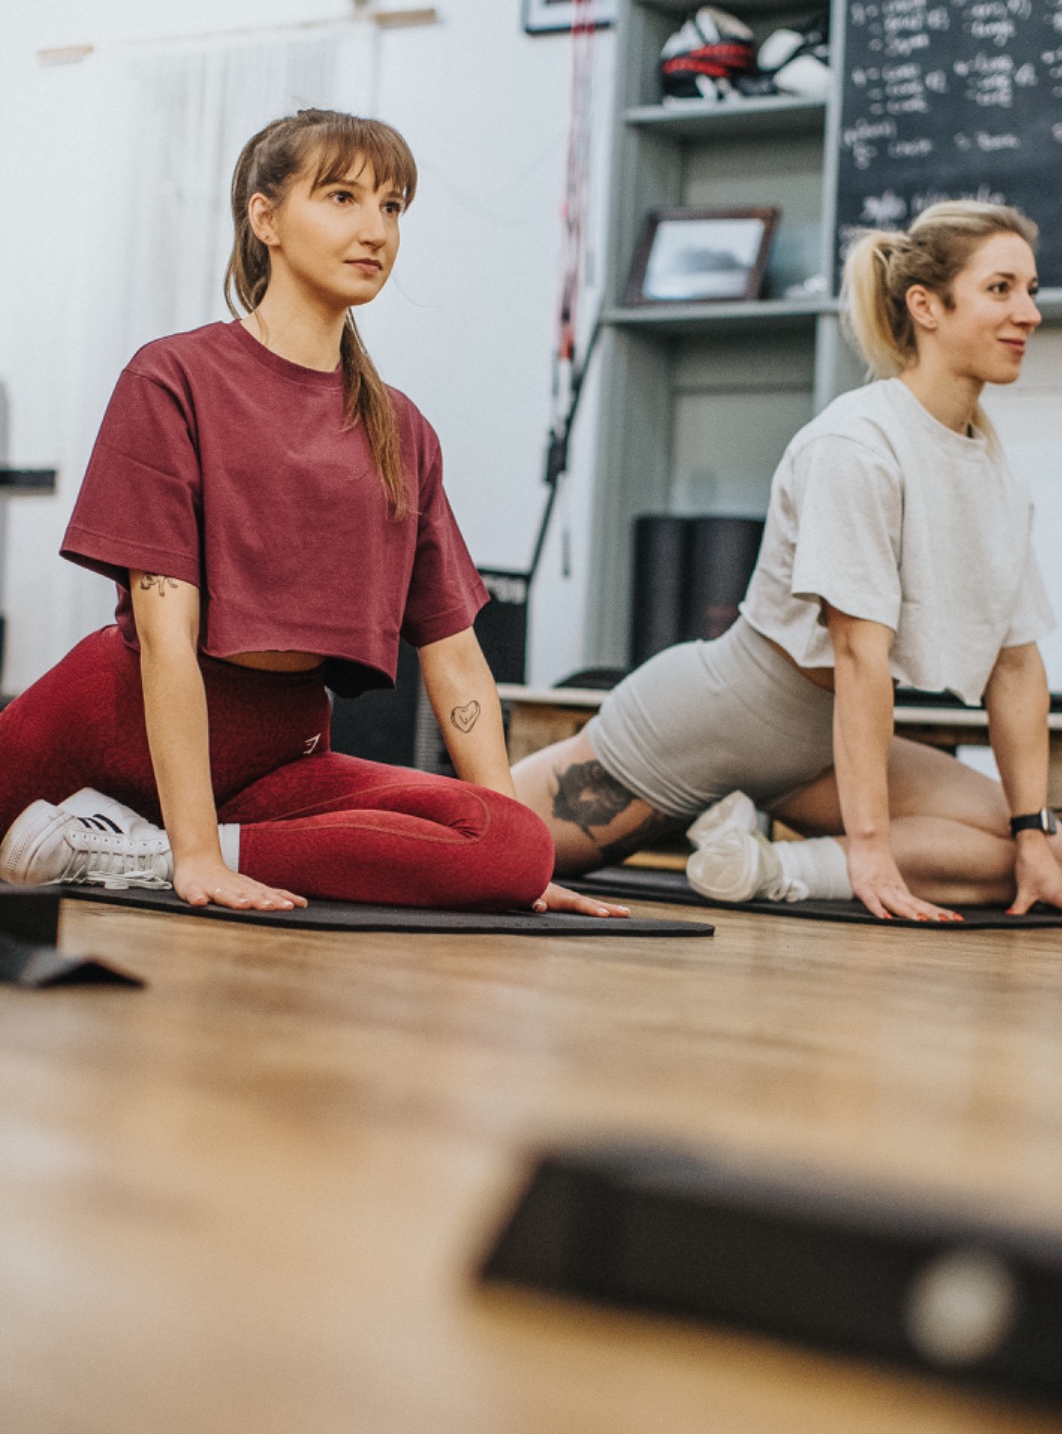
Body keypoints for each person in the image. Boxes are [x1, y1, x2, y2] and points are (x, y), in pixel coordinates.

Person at [0, 108, 621, 919]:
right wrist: (191, 856)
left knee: (511, 844)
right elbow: (163, 638)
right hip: (111, 727)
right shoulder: (173, 377)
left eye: (392, 206)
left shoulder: (401, 429)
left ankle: (122, 849)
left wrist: (520, 860)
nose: (375, 230)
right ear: (266, 219)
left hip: (279, 756)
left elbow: (455, 654)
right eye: (341, 198)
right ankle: (157, 842)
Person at [514, 200, 1062, 923]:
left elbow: (1016, 666)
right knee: (475, 847)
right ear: (925, 305)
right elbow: (859, 654)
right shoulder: (856, 444)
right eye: (1000, 289)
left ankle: (766, 866)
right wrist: (868, 845)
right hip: (718, 717)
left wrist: (1029, 827)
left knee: (1039, 852)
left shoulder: (990, 469)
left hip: (820, 751)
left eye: (1030, 291)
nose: (1028, 313)